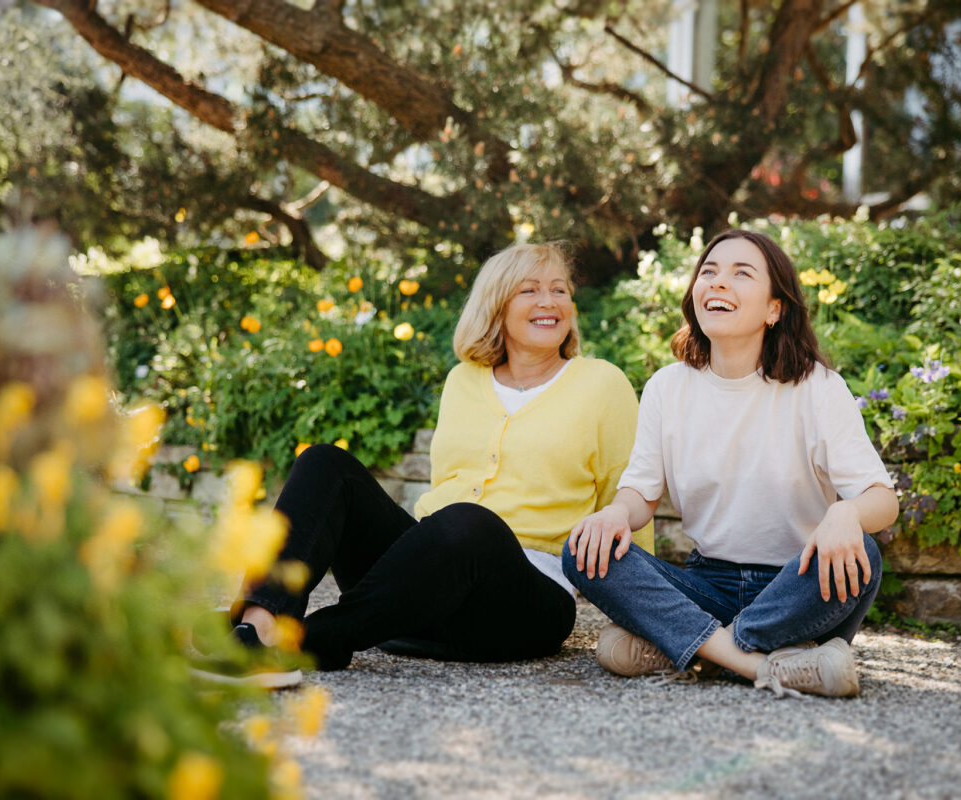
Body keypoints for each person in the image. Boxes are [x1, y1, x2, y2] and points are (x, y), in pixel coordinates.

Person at [195, 242, 651, 687]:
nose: (549, 301)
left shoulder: (601, 384)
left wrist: (645, 617)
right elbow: (447, 490)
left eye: (560, 290)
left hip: (520, 605)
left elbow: (628, 494)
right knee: (323, 462)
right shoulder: (463, 381)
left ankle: (307, 639)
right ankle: (257, 624)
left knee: (470, 524)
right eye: (529, 290)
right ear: (497, 307)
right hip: (416, 595)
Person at [563, 229, 898, 698]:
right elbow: (640, 493)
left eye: (742, 274)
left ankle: (689, 649)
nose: (718, 283)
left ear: (774, 309)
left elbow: (881, 500)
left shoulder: (818, 388)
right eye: (709, 272)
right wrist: (614, 515)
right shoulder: (667, 387)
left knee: (865, 554)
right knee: (583, 551)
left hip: (797, 585)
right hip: (705, 582)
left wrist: (846, 512)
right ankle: (775, 663)